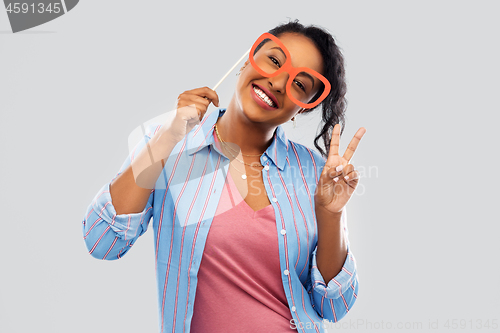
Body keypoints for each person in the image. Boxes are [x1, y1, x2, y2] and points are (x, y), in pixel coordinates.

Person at [82, 19, 366, 333]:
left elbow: (334, 306)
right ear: (248, 58)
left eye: (299, 84)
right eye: (274, 60)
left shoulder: (313, 171)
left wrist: (331, 214)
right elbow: (102, 241)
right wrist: (167, 139)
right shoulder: (170, 144)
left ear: (303, 108)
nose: (277, 82)